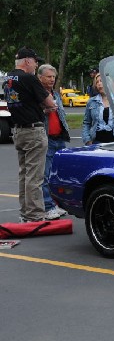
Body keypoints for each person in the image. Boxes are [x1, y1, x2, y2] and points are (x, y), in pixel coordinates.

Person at [4, 47, 57, 222]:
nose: (36, 64)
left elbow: (22, 101)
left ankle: (25, 213)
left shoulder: (8, 78)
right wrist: (48, 105)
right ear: (27, 61)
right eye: (35, 61)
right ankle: (35, 215)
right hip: (33, 130)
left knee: (24, 174)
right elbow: (49, 102)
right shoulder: (29, 78)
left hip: (18, 129)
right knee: (35, 176)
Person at [38, 63, 70, 220]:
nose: (52, 79)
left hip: (59, 139)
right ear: (40, 77)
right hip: (47, 139)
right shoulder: (38, 94)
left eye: (53, 77)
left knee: (57, 175)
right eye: (48, 77)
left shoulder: (56, 94)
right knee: (45, 174)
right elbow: (35, 114)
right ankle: (47, 206)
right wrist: (44, 111)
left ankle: (55, 203)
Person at [82, 72, 114, 145]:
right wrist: (87, 140)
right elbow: (86, 123)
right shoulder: (91, 102)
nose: (99, 84)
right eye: (97, 82)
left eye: (101, 81)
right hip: (97, 143)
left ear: (109, 83)